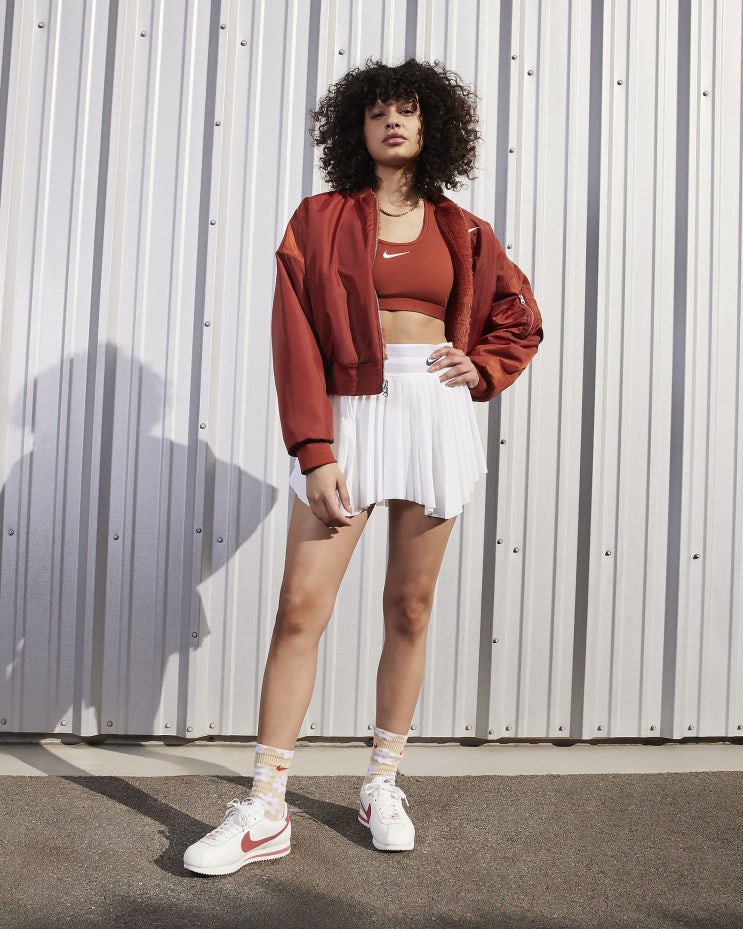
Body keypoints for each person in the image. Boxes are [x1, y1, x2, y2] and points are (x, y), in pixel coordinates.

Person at [184, 58, 543, 875]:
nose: (392, 121)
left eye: (407, 110)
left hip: (433, 414)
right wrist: (314, 449)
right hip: (347, 414)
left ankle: (381, 781)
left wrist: (482, 367)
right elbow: (294, 337)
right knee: (299, 606)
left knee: (409, 606)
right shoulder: (318, 219)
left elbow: (518, 317)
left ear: (431, 126)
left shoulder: (466, 229)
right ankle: (266, 805)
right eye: (378, 111)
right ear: (357, 127)